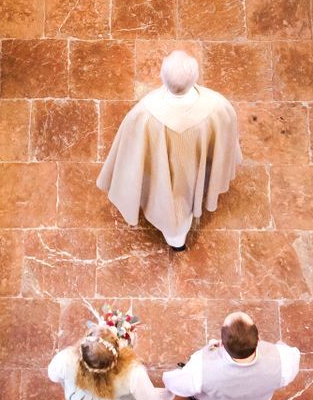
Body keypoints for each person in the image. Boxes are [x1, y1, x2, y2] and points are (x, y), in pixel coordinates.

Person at [95, 50, 243, 250]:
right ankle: (179, 235)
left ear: (162, 78)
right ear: (195, 77)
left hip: (162, 176)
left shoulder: (143, 113)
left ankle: (176, 239)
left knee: (171, 207)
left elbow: (131, 152)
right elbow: (225, 141)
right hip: (196, 170)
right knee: (186, 200)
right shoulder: (218, 107)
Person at [162, 312, 301, 400]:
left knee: (199, 394)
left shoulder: (200, 367)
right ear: (258, 339)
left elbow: (176, 384)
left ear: (221, 343)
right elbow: (291, 357)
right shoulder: (283, 361)